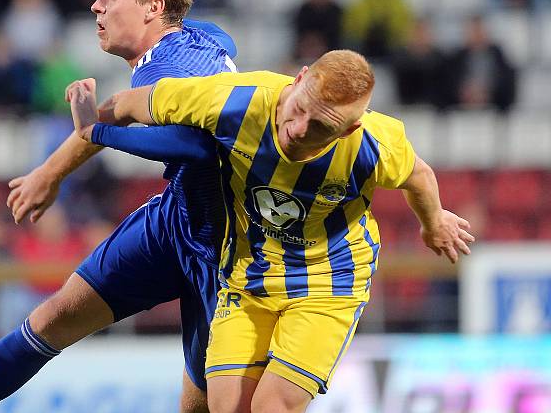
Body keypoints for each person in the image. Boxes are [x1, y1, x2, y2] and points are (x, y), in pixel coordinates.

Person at [67, 49, 475, 413]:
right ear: (297, 79)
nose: (299, 129)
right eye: (301, 109)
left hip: (328, 285)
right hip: (248, 277)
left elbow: (418, 175)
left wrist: (433, 221)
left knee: (272, 406)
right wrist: (87, 130)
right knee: (226, 407)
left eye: (320, 127)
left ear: (348, 129)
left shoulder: (373, 143)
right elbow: (136, 104)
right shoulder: (236, 99)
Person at [0, 0, 238, 413]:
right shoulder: (197, 39)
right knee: (51, 318)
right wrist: (50, 173)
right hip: (178, 217)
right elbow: (221, 42)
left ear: (153, 8)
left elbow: (192, 143)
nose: (96, 6)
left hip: (225, 248)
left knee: (202, 406)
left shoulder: (169, 68)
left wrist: (98, 132)